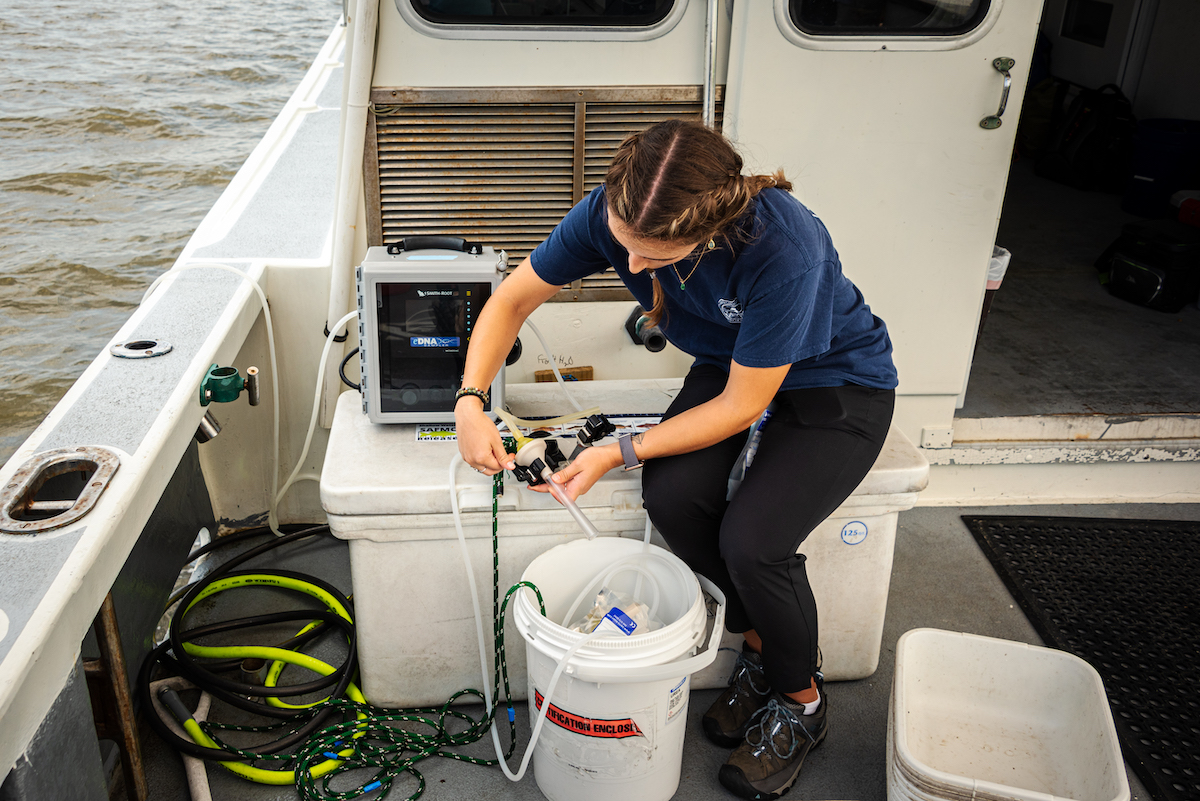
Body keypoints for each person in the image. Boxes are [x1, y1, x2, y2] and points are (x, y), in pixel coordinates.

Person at [454, 119, 897, 800]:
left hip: (836, 382)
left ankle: (801, 701)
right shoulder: (616, 211)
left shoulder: (785, 247)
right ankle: (757, 647)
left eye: (654, 256)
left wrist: (617, 449)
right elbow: (513, 297)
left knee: (755, 542)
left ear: (711, 226)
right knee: (672, 498)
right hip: (730, 364)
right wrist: (469, 401)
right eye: (624, 247)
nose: (631, 267)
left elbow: (744, 407)